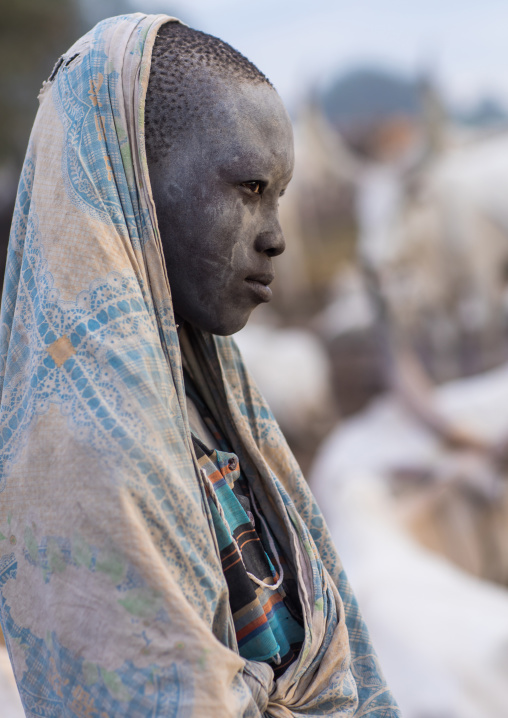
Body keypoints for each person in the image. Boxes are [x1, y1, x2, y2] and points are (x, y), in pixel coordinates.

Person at [0, 13, 399, 717]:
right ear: (133, 185)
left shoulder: (204, 390)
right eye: (249, 189)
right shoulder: (85, 445)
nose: (275, 236)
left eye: (279, 196)